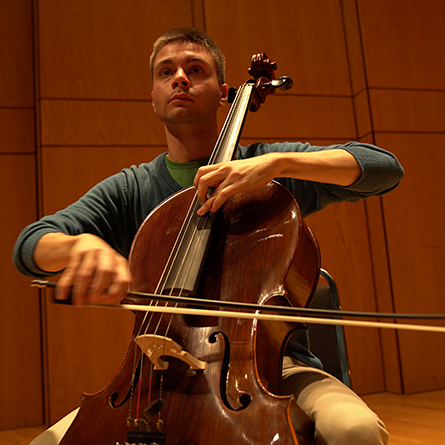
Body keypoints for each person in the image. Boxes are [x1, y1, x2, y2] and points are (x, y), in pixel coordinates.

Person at [14, 27, 404, 445]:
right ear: (153, 97)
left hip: (270, 370)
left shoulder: (264, 171)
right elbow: (30, 246)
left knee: (353, 430)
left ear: (223, 93)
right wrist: (79, 245)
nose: (179, 78)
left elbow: (382, 169)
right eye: (166, 72)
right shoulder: (131, 189)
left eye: (194, 69)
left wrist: (275, 164)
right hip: (152, 373)